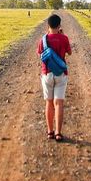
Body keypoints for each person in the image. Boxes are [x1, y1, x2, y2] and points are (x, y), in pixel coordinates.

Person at [36, 13, 72, 142]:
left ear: (48, 25)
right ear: (59, 25)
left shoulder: (43, 39)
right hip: (61, 74)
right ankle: (58, 133)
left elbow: (40, 53)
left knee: (49, 103)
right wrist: (61, 35)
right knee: (59, 103)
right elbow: (70, 52)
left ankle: (50, 132)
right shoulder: (64, 38)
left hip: (47, 73)